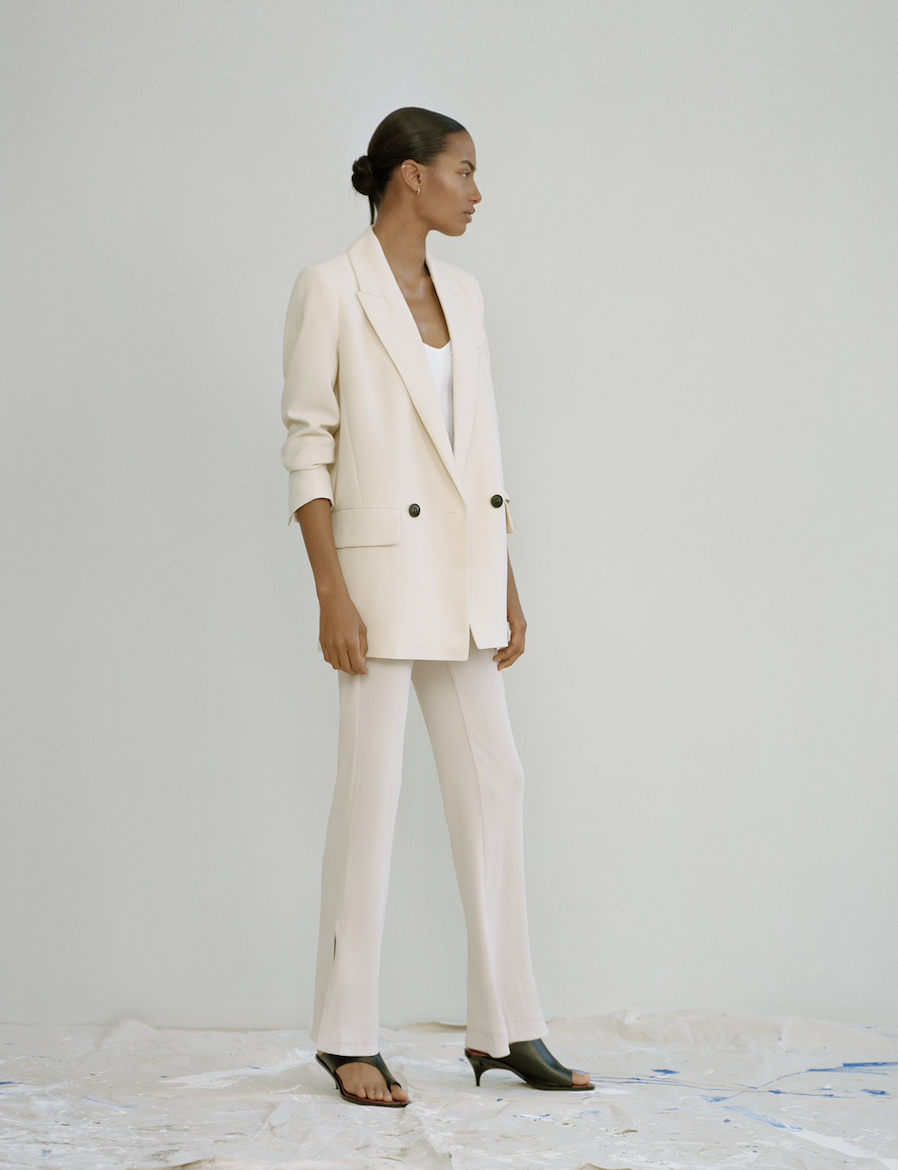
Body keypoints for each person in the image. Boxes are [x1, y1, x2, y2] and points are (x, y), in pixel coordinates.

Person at [280, 107, 592, 1108]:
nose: (476, 191)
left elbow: (479, 454)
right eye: (464, 171)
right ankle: (345, 1037)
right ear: (411, 176)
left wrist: (505, 578)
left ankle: (505, 1027)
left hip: (461, 579)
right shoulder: (329, 287)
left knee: (497, 785)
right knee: (368, 801)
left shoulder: (465, 292)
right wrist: (330, 592)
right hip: (375, 584)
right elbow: (308, 449)